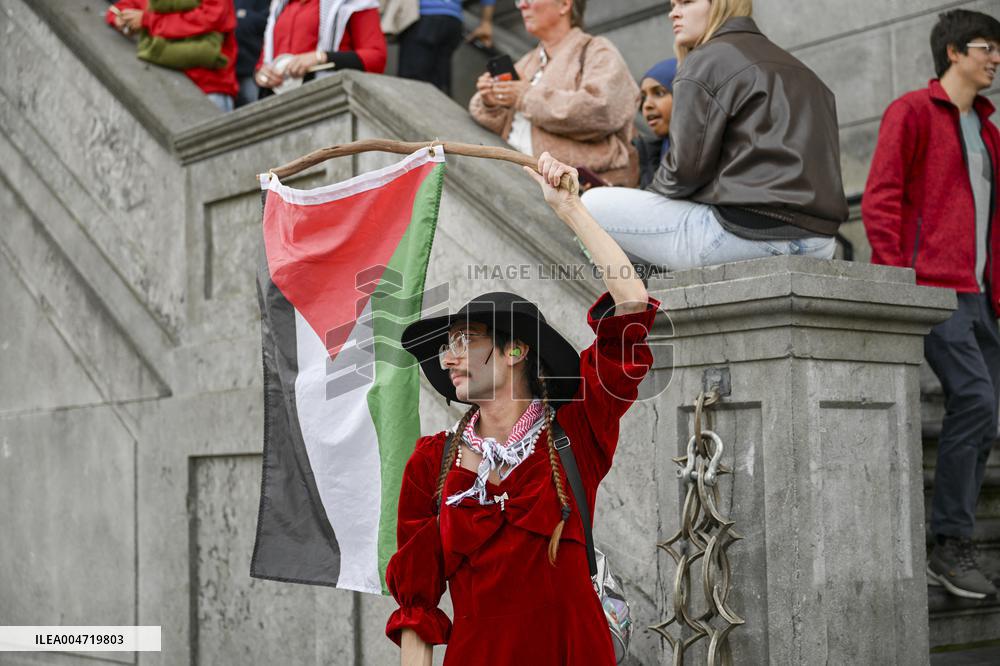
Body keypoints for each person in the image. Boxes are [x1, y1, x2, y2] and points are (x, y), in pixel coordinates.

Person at [385, 152, 657, 665]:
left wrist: (570, 210)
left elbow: (631, 310)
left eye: (466, 339)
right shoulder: (431, 464)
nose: (450, 355)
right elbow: (416, 608)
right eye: (448, 345)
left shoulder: (577, 430)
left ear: (515, 351)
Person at [863, 9, 1000, 600]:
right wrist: (900, 283)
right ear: (952, 51)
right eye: (985, 47)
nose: (994, 58)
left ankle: (954, 537)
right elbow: (882, 197)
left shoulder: (989, 130)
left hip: (981, 295)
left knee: (987, 411)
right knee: (974, 398)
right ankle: (949, 544)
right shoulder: (911, 112)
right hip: (934, 289)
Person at [580, 0, 848, 271]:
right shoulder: (805, 73)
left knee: (591, 204)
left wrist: (647, 198)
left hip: (742, 236)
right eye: (672, 4)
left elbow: (683, 173)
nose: (673, 12)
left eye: (686, 2)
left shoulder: (706, 59)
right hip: (820, 242)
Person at [468, 0, 640, 187]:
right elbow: (498, 120)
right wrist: (491, 102)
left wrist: (526, 97)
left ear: (565, 4)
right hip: (515, 179)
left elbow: (602, 109)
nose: (522, 5)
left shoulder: (597, 50)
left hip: (577, 188)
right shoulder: (528, 61)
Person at [106, 0, 239, 112]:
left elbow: (210, 19)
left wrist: (148, 20)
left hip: (208, 89)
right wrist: (120, 18)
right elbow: (124, 7)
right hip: (166, 88)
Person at [255, 0, 387, 97]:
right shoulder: (279, 5)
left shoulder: (353, 2)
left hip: (326, 100)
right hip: (276, 102)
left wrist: (320, 57)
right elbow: (263, 63)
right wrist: (263, 74)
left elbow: (376, 57)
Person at [397, 0, 496, 96]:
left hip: (424, 15)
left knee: (410, 82)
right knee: (437, 84)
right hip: (453, 21)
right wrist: (486, 22)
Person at [636, 58, 677, 190]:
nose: (647, 105)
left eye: (659, 93)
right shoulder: (653, 151)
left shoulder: (699, 150)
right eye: (643, 97)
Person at [234, 0, 270, 108]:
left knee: (255, 110)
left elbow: (271, 19)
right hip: (228, 72)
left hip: (254, 70)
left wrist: (245, 17)